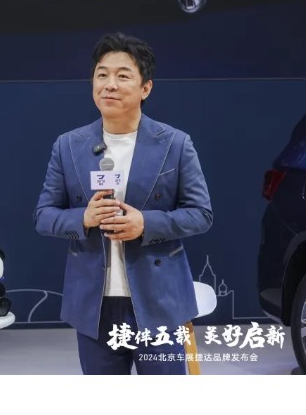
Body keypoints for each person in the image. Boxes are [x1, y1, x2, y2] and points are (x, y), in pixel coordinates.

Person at [34, 32, 213, 375]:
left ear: (145, 88)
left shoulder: (175, 144)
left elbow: (201, 214)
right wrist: (83, 218)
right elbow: (44, 215)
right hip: (94, 304)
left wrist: (146, 224)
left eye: (123, 75)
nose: (110, 85)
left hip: (158, 302)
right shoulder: (68, 146)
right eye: (102, 75)